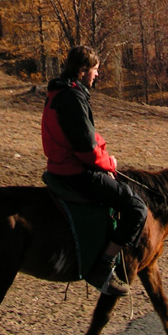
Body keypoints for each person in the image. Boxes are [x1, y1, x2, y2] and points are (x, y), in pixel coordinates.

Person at [41, 45, 148, 296]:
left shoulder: (60, 92)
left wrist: (102, 151)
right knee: (136, 208)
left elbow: (86, 135)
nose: (97, 75)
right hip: (75, 171)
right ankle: (103, 265)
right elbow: (86, 150)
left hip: (60, 167)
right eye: (95, 70)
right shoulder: (72, 97)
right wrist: (110, 163)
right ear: (82, 70)